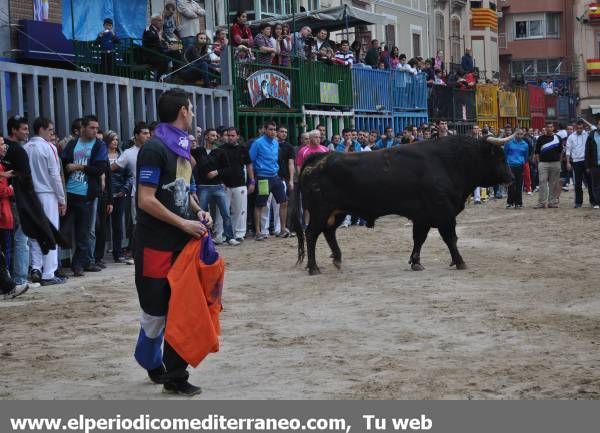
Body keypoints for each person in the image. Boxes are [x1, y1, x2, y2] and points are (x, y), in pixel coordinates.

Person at [134, 88, 212, 395]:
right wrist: (183, 222)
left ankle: (176, 375)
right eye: (191, 109)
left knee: (181, 308)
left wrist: (198, 211)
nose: (192, 114)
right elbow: (146, 199)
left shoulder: (182, 150)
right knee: (155, 314)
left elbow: (183, 191)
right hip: (155, 245)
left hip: (181, 243)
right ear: (182, 111)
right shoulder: (153, 149)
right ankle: (152, 363)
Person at [61, 115, 107, 276]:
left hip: (86, 194)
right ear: (83, 128)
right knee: (63, 230)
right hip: (69, 193)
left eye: (96, 128)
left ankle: (78, 264)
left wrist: (80, 167)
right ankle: (58, 263)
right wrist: (68, 168)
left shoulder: (99, 145)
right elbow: (63, 163)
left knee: (83, 232)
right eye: (92, 128)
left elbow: (100, 168)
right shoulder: (73, 144)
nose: (95, 131)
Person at [23, 117, 66, 285]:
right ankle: (48, 273)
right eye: (50, 130)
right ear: (41, 129)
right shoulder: (49, 147)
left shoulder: (25, 148)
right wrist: (62, 199)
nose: (51, 134)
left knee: (34, 233)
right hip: (47, 193)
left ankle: (36, 268)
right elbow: (55, 176)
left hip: (31, 194)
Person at [111, 121, 150, 261]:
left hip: (154, 193)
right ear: (136, 135)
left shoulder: (153, 150)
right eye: (144, 133)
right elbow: (113, 167)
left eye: (148, 133)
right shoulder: (128, 153)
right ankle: (136, 252)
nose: (148, 136)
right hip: (136, 194)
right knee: (136, 223)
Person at [194, 129, 240, 246]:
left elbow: (228, 169)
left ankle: (230, 237)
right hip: (203, 186)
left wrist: (217, 172)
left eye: (216, 135)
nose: (215, 137)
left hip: (218, 186)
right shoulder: (198, 151)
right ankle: (204, 237)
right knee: (202, 213)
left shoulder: (220, 152)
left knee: (226, 213)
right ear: (206, 137)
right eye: (212, 135)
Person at [212, 127, 255, 242]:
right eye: (228, 135)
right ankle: (219, 235)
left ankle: (239, 234)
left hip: (240, 183)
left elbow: (249, 165)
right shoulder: (220, 149)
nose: (230, 137)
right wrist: (220, 181)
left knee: (240, 210)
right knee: (221, 211)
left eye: (232, 135)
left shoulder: (243, 149)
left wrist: (252, 181)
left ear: (237, 136)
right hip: (224, 185)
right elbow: (216, 167)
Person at [249, 121, 288, 241]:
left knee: (284, 202)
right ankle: (258, 232)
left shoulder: (276, 143)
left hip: (275, 177)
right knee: (260, 204)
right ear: (265, 130)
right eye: (270, 129)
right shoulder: (258, 143)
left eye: (274, 129)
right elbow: (250, 161)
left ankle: (282, 229)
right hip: (263, 177)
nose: (273, 132)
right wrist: (251, 180)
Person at [0, 136, 27, 300]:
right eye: (2, 145)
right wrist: (11, 189)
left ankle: (7, 286)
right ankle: (9, 286)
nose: (5, 147)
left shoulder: (3, 166)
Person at [105, 131, 132, 263]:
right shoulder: (102, 155)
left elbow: (129, 175)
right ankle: (98, 256)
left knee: (118, 226)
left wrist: (125, 189)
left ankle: (118, 253)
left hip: (120, 193)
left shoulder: (122, 155)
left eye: (116, 139)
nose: (115, 142)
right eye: (112, 139)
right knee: (103, 226)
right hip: (106, 194)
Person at [566, 121, 595, 208]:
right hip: (576, 162)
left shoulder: (587, 134)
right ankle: (578, 202)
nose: (579, 130)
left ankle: (593, 201)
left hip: (587, 161)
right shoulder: (571, 137)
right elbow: (568, 150)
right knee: (577, 183)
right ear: (575, 128)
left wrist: (584, 120)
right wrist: (568, 162)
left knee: (590, 182)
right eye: (577, 128)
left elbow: (594, 127)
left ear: (583, 127)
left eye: (581, 128)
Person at [534, 122, 562, 209]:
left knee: (553, 183)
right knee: (542, 182)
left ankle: (552, 202)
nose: (549, 128)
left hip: (555, 163)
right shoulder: (540, 138)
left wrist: (559, 162)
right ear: (545, 128)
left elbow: (561, 151)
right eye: (548, 127)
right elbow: (537, 152)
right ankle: (542, 202)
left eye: (551, 127)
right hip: (543, 164)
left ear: (553, 128)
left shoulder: (558, 138)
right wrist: (539, 163)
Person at [503, 129, 529, 209]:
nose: (519, 135)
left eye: (521, 134)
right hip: (510, 166)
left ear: (523, 135)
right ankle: (510, 202)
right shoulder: (508, 143)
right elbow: (505, 153)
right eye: (517, 134)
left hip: (520, 166)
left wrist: (522, 162)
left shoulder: (525, 144)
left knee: (519, 185)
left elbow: (526, 156)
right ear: (514, 134)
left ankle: (519, 203)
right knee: (511, 185)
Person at [142, 14, 169, 80]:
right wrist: (159, 36)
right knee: (164, 58)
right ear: (153, 21)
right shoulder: (148, 29)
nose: (161, 22)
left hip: (159, 52)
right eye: (159, 20)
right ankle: (160, 77)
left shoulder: (160, 32)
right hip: (151, 54)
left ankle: (176, 74)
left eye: (162, 20)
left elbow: (166, 41)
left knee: (175, 54)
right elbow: (151, 37)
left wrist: (168, 44)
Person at [584, 118, 600, 209]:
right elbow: (587, 152)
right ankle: (596, 202)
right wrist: (587, 166)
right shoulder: (591, 136)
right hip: (594, 165)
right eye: (599, 124)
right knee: (595, 185)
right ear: (597, 125)